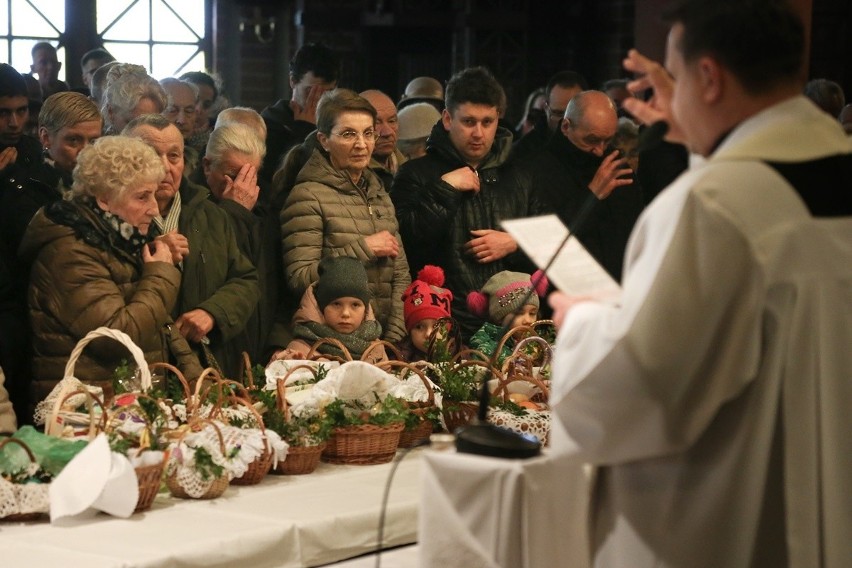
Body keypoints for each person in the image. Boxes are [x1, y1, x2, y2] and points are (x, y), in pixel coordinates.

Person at [548, 1, 852, 566]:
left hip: (730, 525)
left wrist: (585, 319)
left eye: (677, 75)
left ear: (708, 77)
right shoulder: (825, 165)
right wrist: (697, 132)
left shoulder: (713, 206)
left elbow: (639, 389)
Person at [18, 136, 203, 405]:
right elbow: (115, 338)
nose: (153, 209)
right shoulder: (70, 251)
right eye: (142, 197)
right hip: (87, 413)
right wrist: (161, 273)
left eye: (153, 193)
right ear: (104, 199)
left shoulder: (124, 236)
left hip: (125, 401)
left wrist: (198, 380)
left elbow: (160, 325)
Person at [391, 66, 546, 340]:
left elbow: (550, 245)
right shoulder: (415, 173)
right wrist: (445, 188)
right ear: (448, 119)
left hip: (511, 330)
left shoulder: (522, 175)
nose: (478, 133)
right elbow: (407, 243)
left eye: (487, 122)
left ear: (498, 118)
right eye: (469, 121)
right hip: (441, 328)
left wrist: (514, 242)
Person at [123, 115, 260, 379]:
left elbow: (246, 280)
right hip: (142, 367)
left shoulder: (210, 213)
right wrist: (151, 255)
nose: (165, 167)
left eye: (174, 156)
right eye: (151, 155)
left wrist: (213, 312)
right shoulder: (114, 217)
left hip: (205, 367)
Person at [280, 88, 410, 345]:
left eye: (368, 133)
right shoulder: (307, 196)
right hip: (331, 344)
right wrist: (364, 248)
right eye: (349, 134)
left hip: (382, 342)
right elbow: (300, 279)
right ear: (324, 140)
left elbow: (401, 273)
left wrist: (393, 337)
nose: (362, 144)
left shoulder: (378, 191)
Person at [525, 90, 644, 281]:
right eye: (591, 140)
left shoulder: (615, 163)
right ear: (566, 127)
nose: (599, 151)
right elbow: (545, 240)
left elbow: (636, 232)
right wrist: (592, 195)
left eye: (608, 140)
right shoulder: (538, 169)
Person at [199, 122, 289, 363]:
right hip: (216, 353)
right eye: (232, 175)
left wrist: (277, 345)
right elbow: (214, 273)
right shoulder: (192, 212)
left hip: (262, 355)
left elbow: (280, 289)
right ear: (207, 166)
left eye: (250, 175)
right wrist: (234, 211)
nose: (242, 186)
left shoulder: (266, 218)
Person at [279, 256, 387, 363]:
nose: (345, 313)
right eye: (336, 304)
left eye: (355, 305)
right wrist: (288, 362)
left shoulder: (376, 348)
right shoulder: (301, 348)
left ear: (365, 309)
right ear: (321, 307)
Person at [260, 42, 341, 183]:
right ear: (293, 81)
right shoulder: (269, 123)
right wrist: (304, 130)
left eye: (327, 93)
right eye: (310, 91)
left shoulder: (337, 122)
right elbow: (276, 177)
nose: (318, 101)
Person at [466, 270, 546, 366]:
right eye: (519, 313)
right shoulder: (485, 347)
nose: (528, 320)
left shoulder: (537, 343)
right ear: (499, 318)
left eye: (532, 313)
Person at [511, 70, 588, 160]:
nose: (565, 122)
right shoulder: (522, 152)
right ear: (546, 108)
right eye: (558, 113)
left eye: (574, 113)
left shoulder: (598, 147)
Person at [396, 265, 453, 362]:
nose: (428, 333)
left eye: (437, 325)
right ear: (409, 332)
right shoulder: (400, 356)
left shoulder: (459, 354)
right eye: (419, 327)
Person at [360, 89, 407, 189]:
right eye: (376, 123)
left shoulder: (410, 171)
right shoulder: (351, 178)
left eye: (392, 121)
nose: (387, 132)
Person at [101, 63, 167, 134]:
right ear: (110, 112)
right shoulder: (97, 144)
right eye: (132, 124)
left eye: (151, 123)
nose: (142, 133)